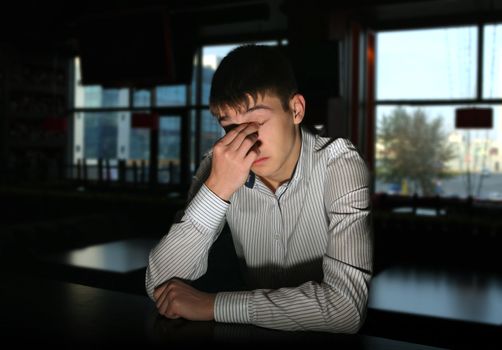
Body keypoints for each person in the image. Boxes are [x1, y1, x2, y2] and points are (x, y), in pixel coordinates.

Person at [145, 44, 373, 333]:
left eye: (256, 122)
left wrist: (212, 305)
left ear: (296, 109)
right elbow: (161, 287)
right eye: (231, 128)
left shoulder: (339, 164)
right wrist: (216, 189)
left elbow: (345, 310)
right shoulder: (218, 165)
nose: (245, 141)